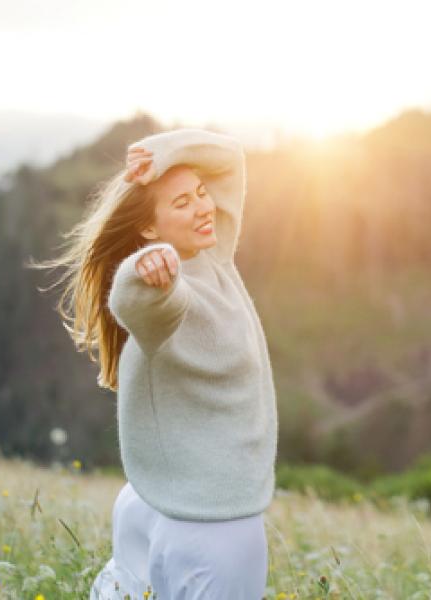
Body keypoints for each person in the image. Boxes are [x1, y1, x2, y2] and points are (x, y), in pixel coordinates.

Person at [34, 127, 278, 599]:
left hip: (151, 504)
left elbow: (229, 159)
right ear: (148, 228)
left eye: (200, 194)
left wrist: (163, 154)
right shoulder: (168, 292)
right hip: (211, 526)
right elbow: (136, 300)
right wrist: (149, 269)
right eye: (181, 203)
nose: (204, 208)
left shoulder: (213, 257)